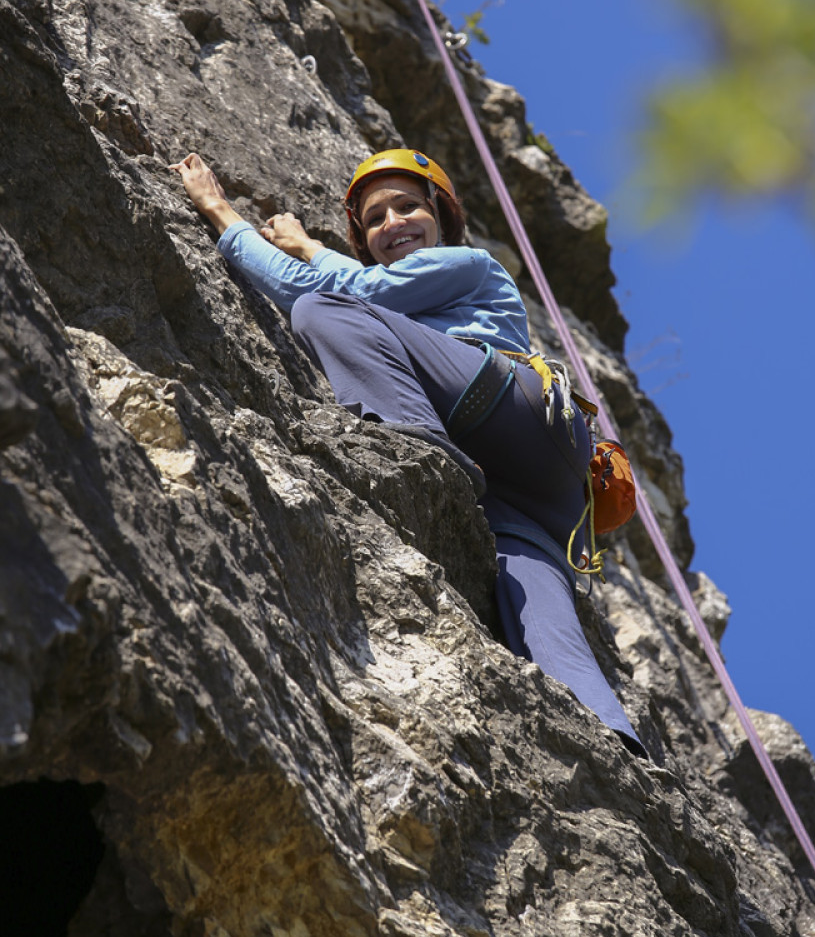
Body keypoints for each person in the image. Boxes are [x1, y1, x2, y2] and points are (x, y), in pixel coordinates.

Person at [171, 147, 645, 756]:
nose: (392, 223)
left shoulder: (471, 264)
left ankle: (425, 453)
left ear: (442, 219)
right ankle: (612, 739)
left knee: (320, 308)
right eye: (375, 220)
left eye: (407, 207)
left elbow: (339, 292)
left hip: (510, 405)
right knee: (537, 608)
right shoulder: (407, 286)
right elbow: (367, 286)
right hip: (534, 492)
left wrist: (219, 212)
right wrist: (313, 251)